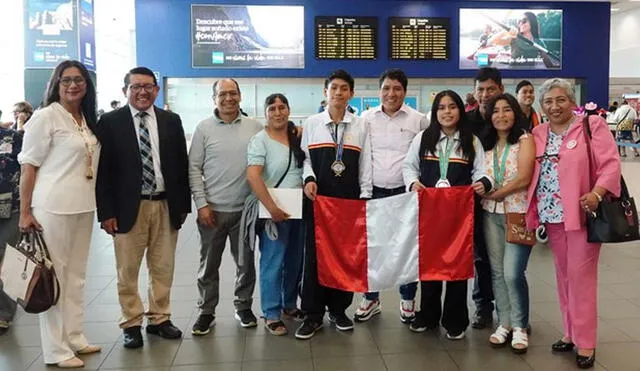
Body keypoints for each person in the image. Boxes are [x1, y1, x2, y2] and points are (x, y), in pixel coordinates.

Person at [525, 78, 621, 369]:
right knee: (564, 277)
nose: (554, 107)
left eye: (560, 100)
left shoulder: (592, 126)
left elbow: (611, 164)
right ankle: (570, 332)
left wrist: (596, 193)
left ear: (572, 102)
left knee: (581, 279)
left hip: (582, 215)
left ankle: (586, 341)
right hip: (552, 216)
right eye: (548, 102)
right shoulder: (538, 132)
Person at [96, 66, 191, 349]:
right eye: (135, 86)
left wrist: (183, 206)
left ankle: (160, 318)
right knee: (127, 269)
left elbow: (180, 166)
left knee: (163, 267)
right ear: (125, 90)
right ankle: (131, 322)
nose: (142, 91)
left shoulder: (171, 120)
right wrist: (106, 212)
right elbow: (102, 172)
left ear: (156, 90)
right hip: (127, 208)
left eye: (148, 86)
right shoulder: (110, 122)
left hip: (165, 204)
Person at [18, 60, 101, 368]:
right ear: (56, 84)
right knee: (55, 278)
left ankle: (75, 336)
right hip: (51, 208)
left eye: (79, 79)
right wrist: (24, 211)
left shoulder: (85, 118)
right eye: (66, 80)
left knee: (76, 276)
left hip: (83, 206)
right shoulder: (44, 117)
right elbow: (29, 166)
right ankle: (56, 349)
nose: (73, 85)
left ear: (86, 85)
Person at [402, 90, 492, 340]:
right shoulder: (424, 138)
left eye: (452, 107)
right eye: (441, 107)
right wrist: (412, 183)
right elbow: (408, 166)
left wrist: (483, 182)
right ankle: (428, 316)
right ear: (435, 112)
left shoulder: (471, 141)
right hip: (429, 214)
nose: (447, 112)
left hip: (459, 216)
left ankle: (455, 320)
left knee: (456, 265)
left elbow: (481, 171)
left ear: (460, 111)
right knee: (430, 265)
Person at [295, 69, 372, 340]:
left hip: (348, 202)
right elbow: (304, 159)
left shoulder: (361, 125)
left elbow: (366, 162)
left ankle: (339, 310)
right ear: (325, 92)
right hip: (318, 200)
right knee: (314, 257)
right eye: (334, 88)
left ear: (351, 93)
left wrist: (365, 195)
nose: (338, 93)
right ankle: (313, 314)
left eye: (344, 88)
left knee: (344, 256)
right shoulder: (312, 123)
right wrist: (309, 179)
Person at [189, 78, 263, 336]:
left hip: (245, 210)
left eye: (233, 93)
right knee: (208, 265)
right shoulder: (204, 129)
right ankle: (206, 312)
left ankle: (243, 306)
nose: (228, 98)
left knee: (245, 263)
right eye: (223, 94)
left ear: (240, 96)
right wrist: (201, 204)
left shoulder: (255, 127)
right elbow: (194, 168)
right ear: (214, 99)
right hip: (212, 211)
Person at [354, 69, 428, 324]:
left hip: (405, 193)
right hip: (373, 191)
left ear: (404, 92)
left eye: (396, 88)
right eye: (386, 88)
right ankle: (370, 298)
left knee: (407, 248)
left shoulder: (418, 120)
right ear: (379, 91)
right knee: (372, 247)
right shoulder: (366, 119)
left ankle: (408, 299)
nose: (391, 93)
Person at [245, 93, 305, 336]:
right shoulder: (260, 140)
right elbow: (253, 176)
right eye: (272, 108)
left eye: (282, 107)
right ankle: (271, 312)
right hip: (273, 214)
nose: (278, 112)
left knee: (294, 261)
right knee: (273, 261)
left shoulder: (297, 137)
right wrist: (272, 208)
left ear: (289, 110)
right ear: (266, 113)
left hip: (298, 210)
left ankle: (289, 304)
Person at [481, 94, 535, 353]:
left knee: (513, 273)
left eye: (506, 110)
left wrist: (496, 193)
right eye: (495, 111)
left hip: (518, 213)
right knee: (497, 272)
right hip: (490, 214)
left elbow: (524, 178)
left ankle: (521, 326)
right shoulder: (486, 143)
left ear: (515, 113)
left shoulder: (525, 140)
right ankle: (504, 323)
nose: (501, 115)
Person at [468, 67, 504, 329]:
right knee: (480, 255)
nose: (485, 94)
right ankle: (482, 306)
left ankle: (509, 308)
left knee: (507, 258)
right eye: (480, 89)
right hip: (474, 202)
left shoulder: (509, 120)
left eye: (490, 89)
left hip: (508, 201)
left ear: (500, 90)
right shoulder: (465, 122)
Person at [0, 102, 26, 336]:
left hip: (11, 208)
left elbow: (27, 170)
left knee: (7, 259)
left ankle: (4, 315)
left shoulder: (13, 138)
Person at [489, 12, 554, 67]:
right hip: (513, 75)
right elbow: (492, 41)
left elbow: (549, 65)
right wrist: (506, 31)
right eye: (519, 21)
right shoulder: (514, 38)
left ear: (532, 22)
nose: (520, 23)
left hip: (530, 75)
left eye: (524, 21)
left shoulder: (539, 42)